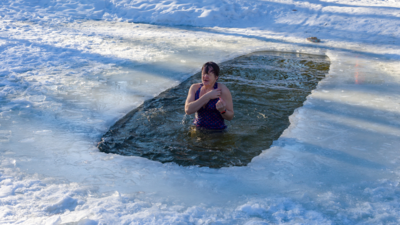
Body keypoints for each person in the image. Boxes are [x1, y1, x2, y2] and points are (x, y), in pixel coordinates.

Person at [185, 62, 234, 130]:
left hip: (217, 131)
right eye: (204, 74)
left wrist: (223, 111)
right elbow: (188, 110)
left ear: (216, 77)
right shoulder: (195, 88)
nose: (205, 76)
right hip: (197, 129)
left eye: (209, 74)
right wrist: (208, 96)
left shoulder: (222, 90)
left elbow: (230, 117)